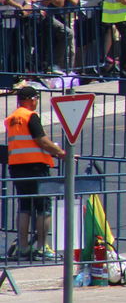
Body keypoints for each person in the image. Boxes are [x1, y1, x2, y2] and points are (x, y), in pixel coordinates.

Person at [6, 84, 66, 260]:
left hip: (16, 167)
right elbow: (42, 141)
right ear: (32, 100)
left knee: (24, 207)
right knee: (43, 207)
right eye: (37, 98)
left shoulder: (11, 118)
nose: (37, 101)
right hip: (35, 167)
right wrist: (61, 153)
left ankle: (23, 248)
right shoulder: (30, 116)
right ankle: (41, 247)